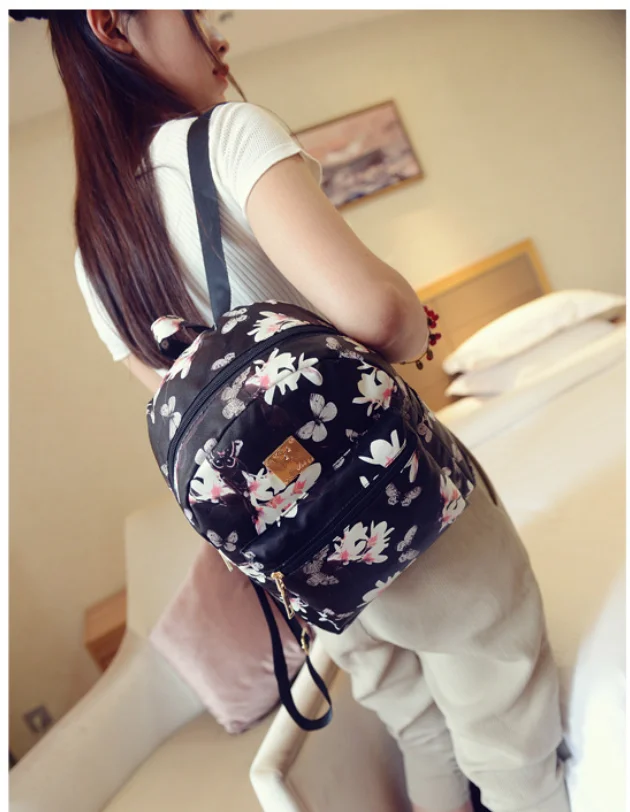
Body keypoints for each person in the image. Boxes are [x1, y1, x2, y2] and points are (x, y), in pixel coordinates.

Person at [13, 10, 571, 812]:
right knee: (508, 738)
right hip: (404, 503)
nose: (218, 34)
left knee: (424, 735)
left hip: (309, 564)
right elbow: (378, 313)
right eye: (193, 11)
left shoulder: (93, 256)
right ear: (112, 22)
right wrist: (413, 325)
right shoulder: (227, 136)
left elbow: (192, 411)